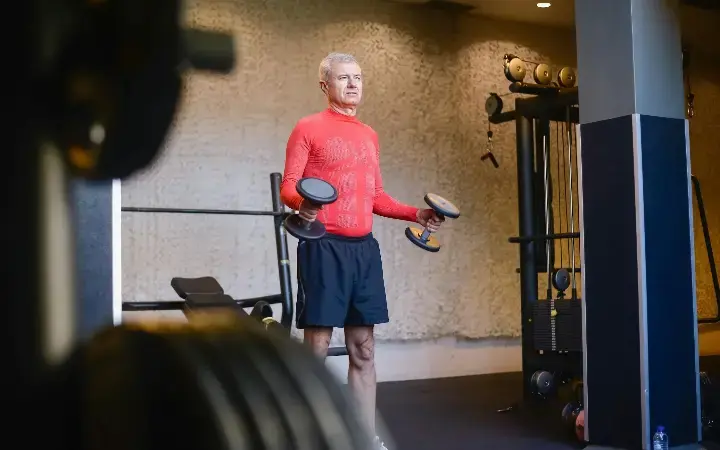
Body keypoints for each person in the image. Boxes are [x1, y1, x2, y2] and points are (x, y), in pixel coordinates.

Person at [280, 52, 444, 449]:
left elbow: (377, 196)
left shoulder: (369, 134)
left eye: (358, 77)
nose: (353, 84)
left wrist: (417, 213)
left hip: (363, 252)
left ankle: (363, 439)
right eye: (344, 78)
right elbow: (288, 186)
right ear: (325, 85)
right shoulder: (308, 127)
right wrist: (304, 204)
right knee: (317, 348)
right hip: (323, 247)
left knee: (364, 350)